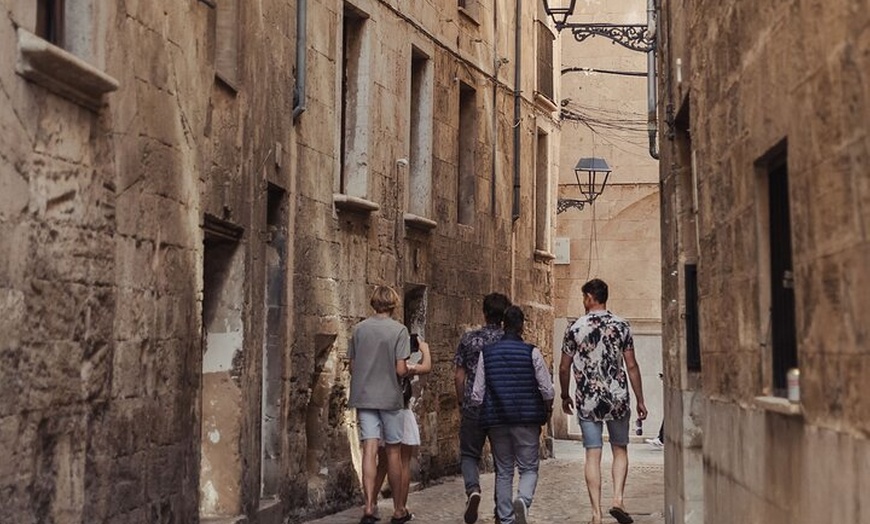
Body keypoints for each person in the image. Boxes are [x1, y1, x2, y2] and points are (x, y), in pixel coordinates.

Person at [559, 279, 647, 524]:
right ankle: (618, 499)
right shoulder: (622, 326)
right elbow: (631, 365)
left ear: (589, 297)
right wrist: (640, 399)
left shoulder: (575, 328)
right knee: (620, 449)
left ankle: (596, 514)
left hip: (588, 399)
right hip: (617, 397)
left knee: (592, 454)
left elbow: (564, 368)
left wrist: (565, 395)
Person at [469, 306, 554, 524]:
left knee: (504, 469)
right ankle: (523, 501)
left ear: (503, 325)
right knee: (528, 467)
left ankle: (506, 518)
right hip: (526, 419)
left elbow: (477, 393)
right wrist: (547, 407)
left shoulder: (487, 354)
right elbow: (546, 388)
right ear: (521, 326)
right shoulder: (531, 352)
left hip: (497, 419)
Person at [348, 286, 412, 524]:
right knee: (393, 451)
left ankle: (368, 506)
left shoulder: (359, 330)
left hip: (364, 395)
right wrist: (410, 370)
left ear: (373, 303)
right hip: (389, 397)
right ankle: (398, 509)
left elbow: (354, 367)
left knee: (369, 449)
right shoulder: (399, 331)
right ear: (393, 304)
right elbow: (400, 369)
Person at [454, 292, 512, 523]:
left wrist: (461, 402)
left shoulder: (469, 340)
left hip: (473, 405)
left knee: (469, 454)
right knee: (503, 462)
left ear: (484, 313)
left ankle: (473, 489)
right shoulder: (509, 341)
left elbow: (459, 376)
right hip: (500, 408)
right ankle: (501, 511)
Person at [373, 335, 432, 523]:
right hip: (402, 413)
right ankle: (401, 507)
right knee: (403, 462)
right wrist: (424, 348)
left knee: (382, 462)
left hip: (383, 411)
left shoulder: (382, 363)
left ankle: (370, 504)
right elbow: (427, 367)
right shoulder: (405, 366)